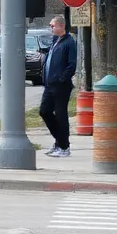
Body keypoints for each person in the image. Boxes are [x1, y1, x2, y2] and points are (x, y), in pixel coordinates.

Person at [40, 15, 78, 158]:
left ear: (61, 26)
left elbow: (71, 65)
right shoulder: (56, 41)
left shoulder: (69, 42)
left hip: (61, 85)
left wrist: (62, 78)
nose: (51, 28)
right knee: (44, 111)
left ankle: (64, 146)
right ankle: (59, 141)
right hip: (49, 85)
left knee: (61, 115)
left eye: (53, 26)